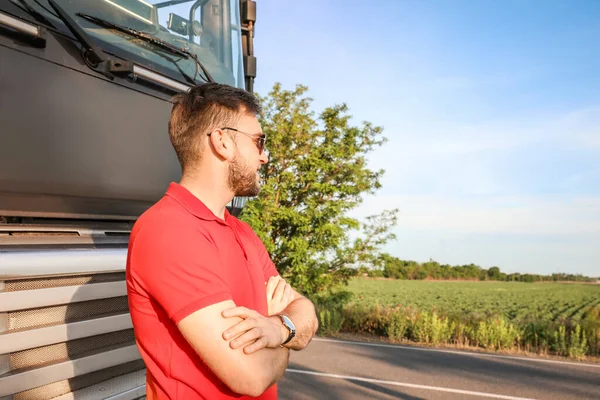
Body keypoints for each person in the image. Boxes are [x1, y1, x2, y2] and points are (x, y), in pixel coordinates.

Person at [125, 82, 319, 399]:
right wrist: (286, 334)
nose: (264, 157)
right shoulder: (168, 231)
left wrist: (277, 328)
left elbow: (305, 310)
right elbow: (252, 376)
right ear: (223, 142)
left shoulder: (242, 232)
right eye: (259, 141)